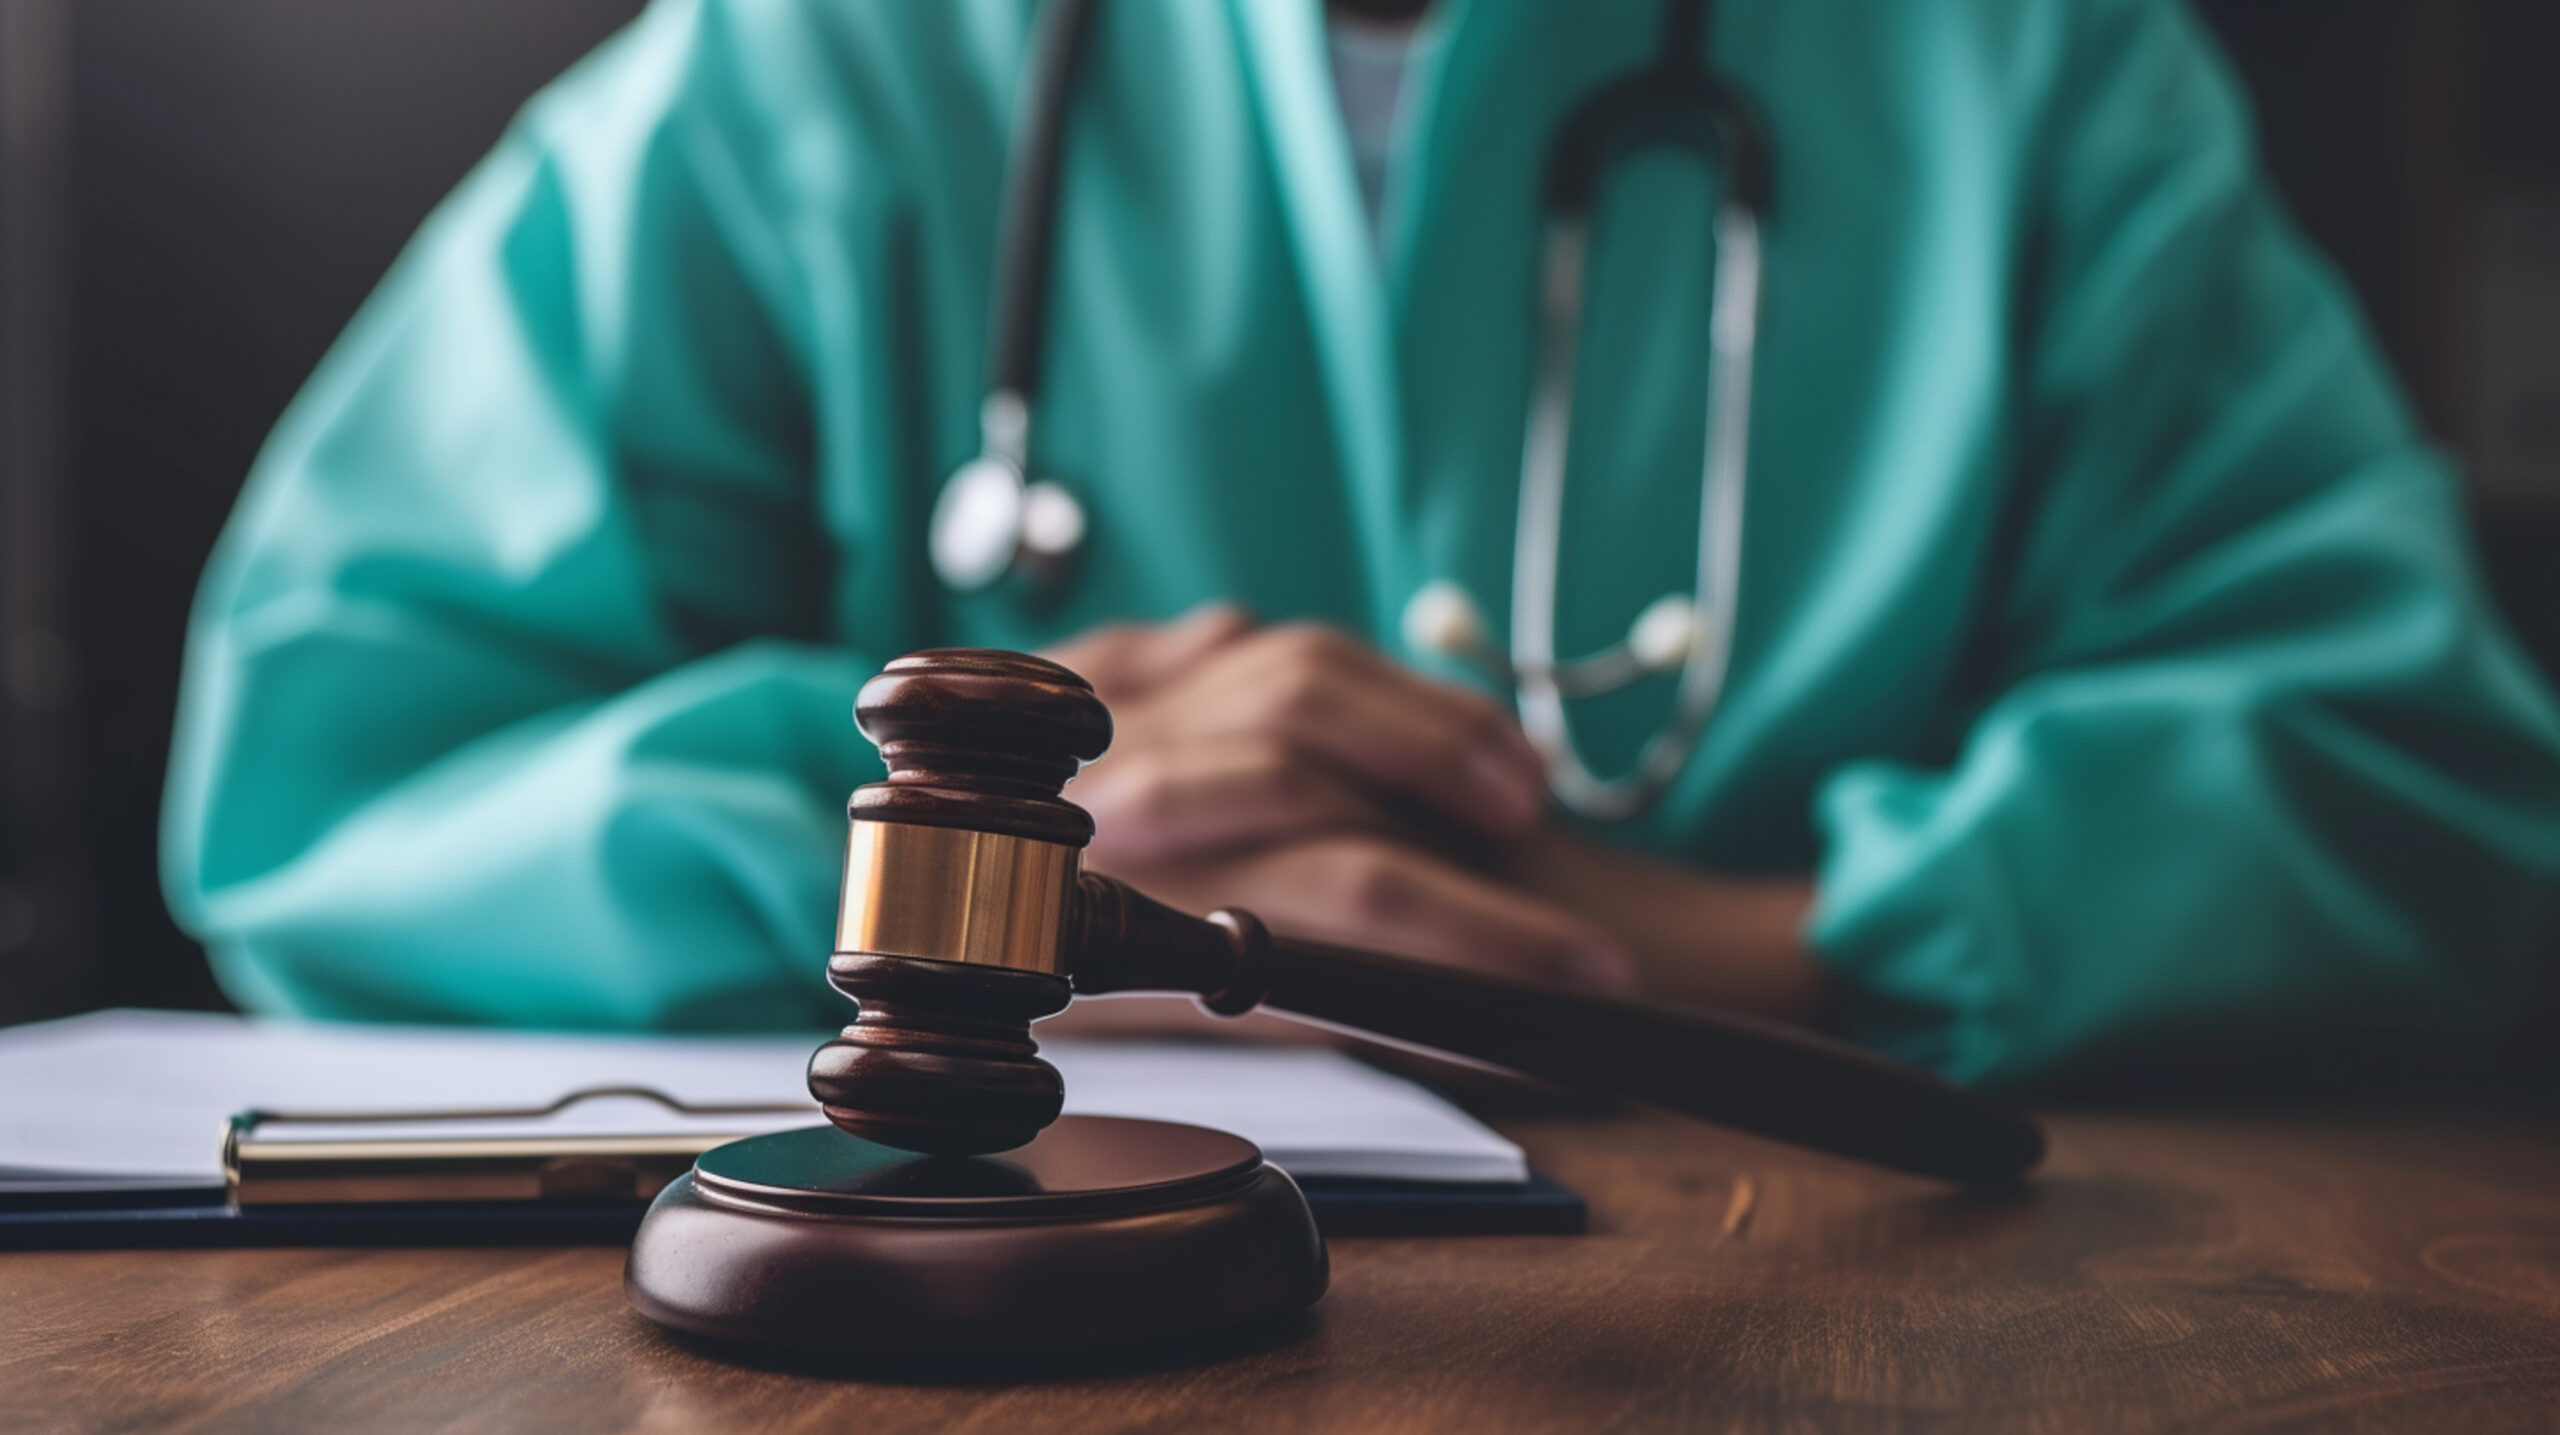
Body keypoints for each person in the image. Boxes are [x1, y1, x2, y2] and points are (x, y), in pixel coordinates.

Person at [163, 0, 2560, 1087]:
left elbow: (2425, 796)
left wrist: (1716, 945)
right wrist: (952, 862)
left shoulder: (2028, 71)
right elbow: (323, 777)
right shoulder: (794, 72)